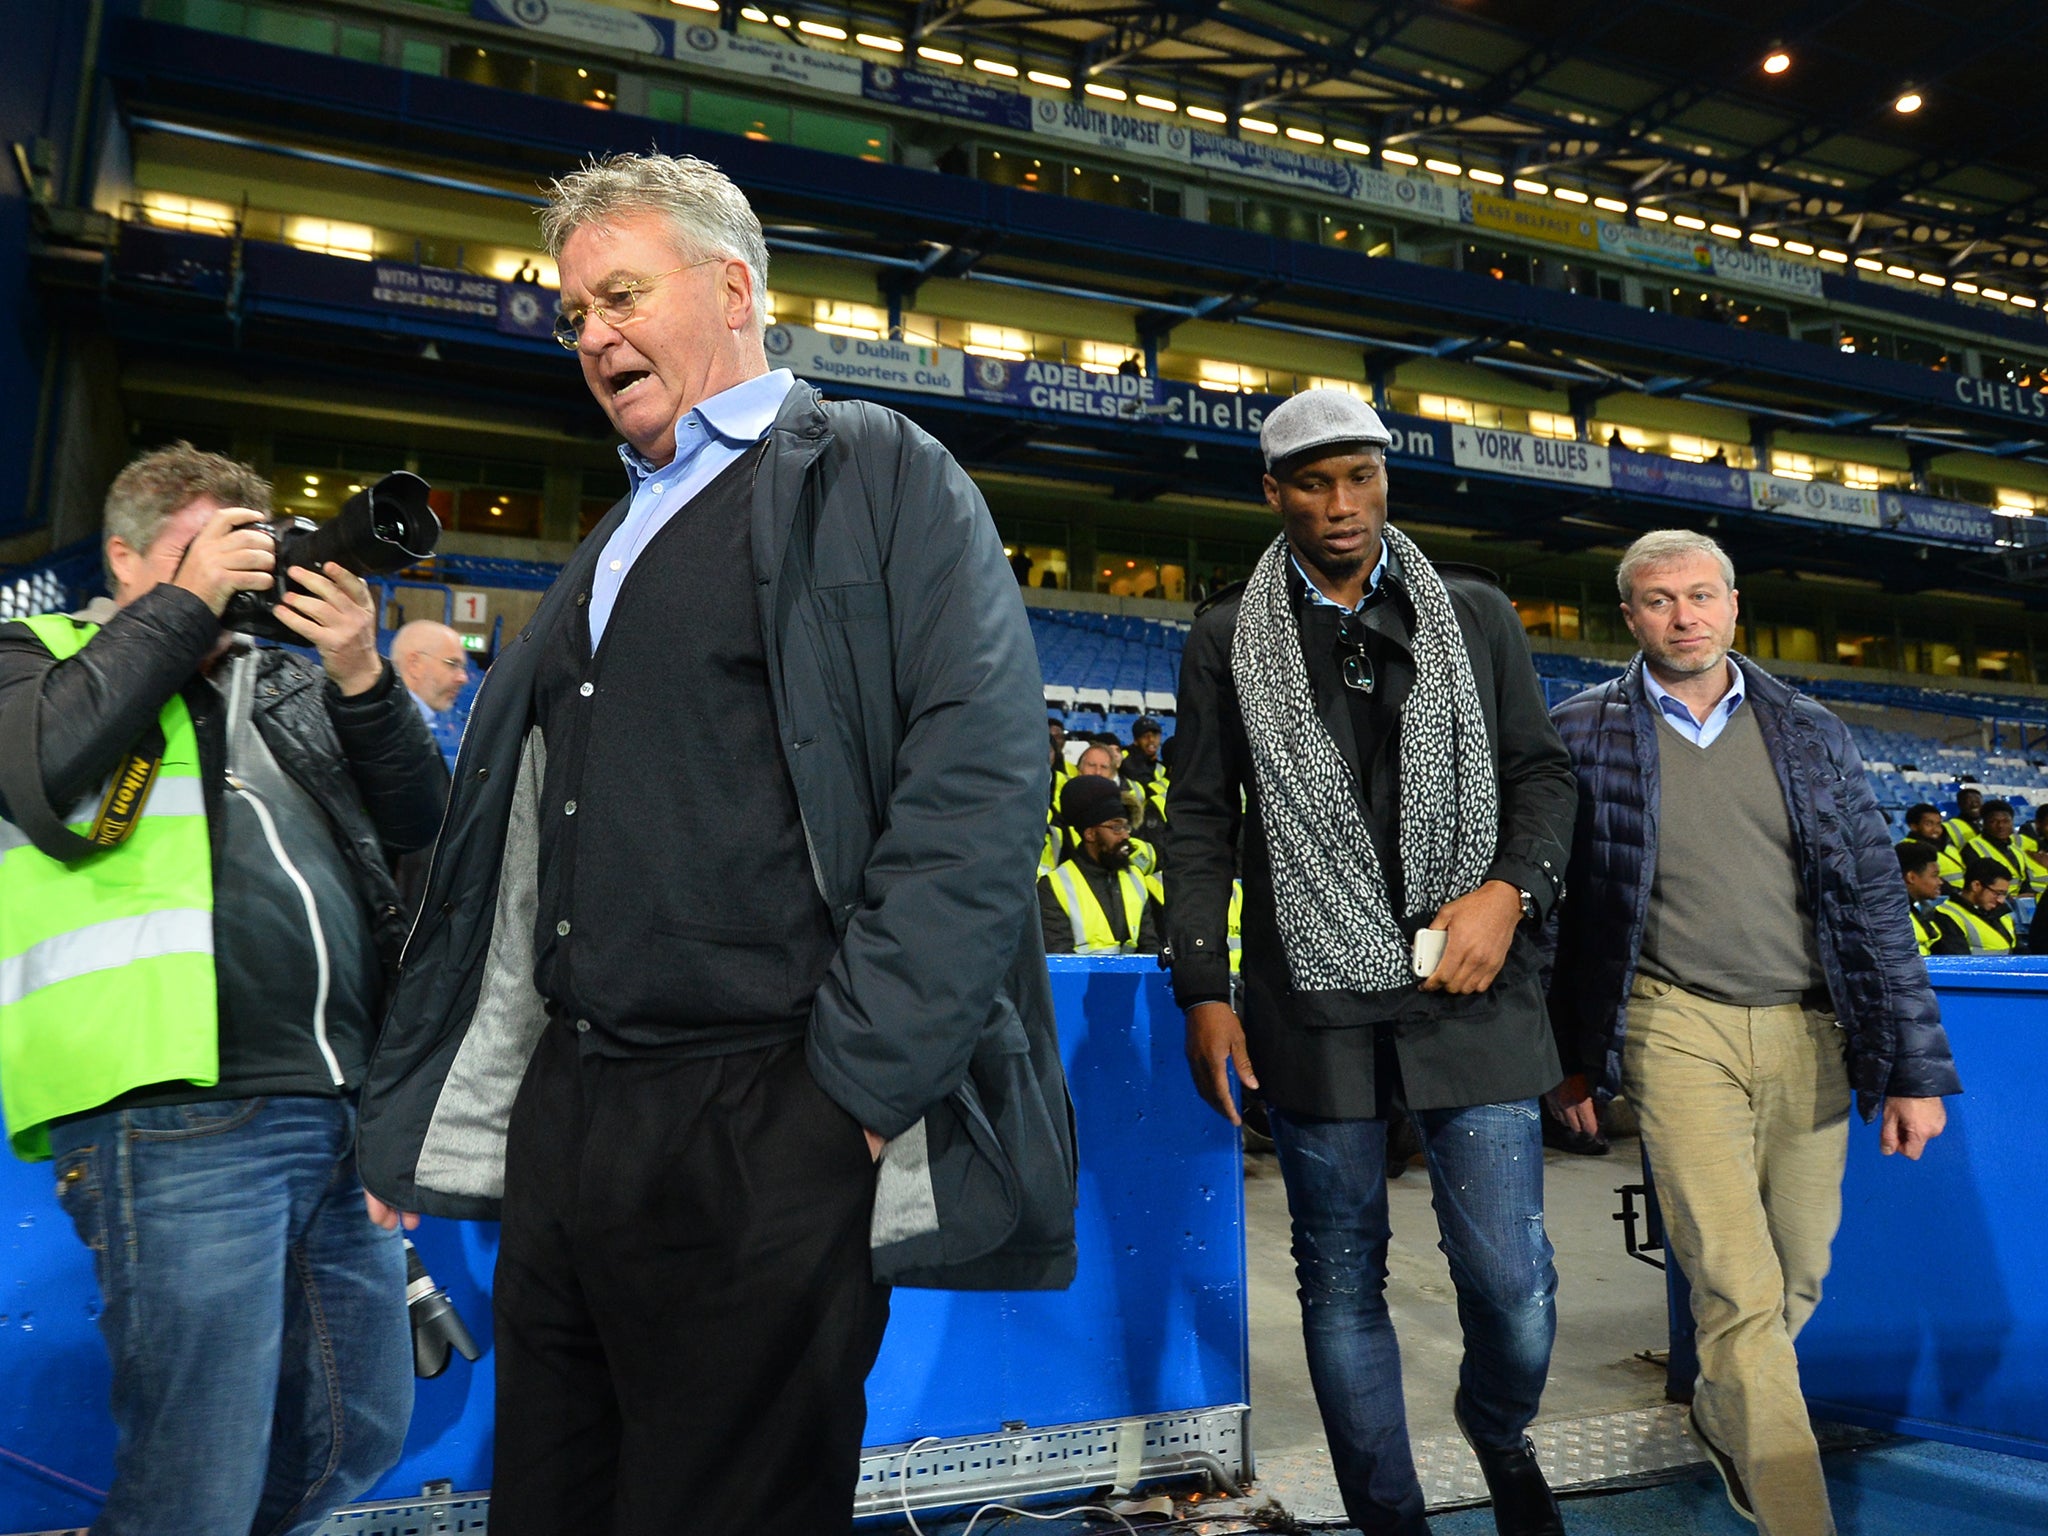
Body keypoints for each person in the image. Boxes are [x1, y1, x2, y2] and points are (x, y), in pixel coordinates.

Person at [354, 151, 1075, 1536]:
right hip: (575, 1121)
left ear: (733, 288)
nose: (593, 336)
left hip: (767, 1114)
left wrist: (852, 1097)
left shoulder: (876, 470)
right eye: (573, 315)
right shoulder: (615, 534)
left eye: (620, 295)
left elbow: (978, 780)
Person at [0, 443, 447, 1536]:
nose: (235, 577)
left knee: (358, 1430)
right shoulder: (35, 653)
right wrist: (183, 610)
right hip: (166, 1111)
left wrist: (358, 671)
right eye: (204, 549)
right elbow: (47, 766)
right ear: (122, 554)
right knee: (196, 1468)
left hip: (337, 1110)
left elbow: (426, 825)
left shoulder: (287, 681)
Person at [1166, 389, 1576, 1536]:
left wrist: (1507, 895)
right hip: (1308, 1000)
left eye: (1358, 478)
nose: (1339, 506)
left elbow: (1542, 779)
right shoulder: (1221, 635)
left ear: (1386, 478)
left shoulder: (1478, 615)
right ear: (1272, 494)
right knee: (1339, 1281)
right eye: (1311, 483)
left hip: (1472, 993)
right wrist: (1203, 987)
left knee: (1513, 1289)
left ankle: (1497, 1432)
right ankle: (1390, 1521)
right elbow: (1198, 818)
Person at [1547, 529, 1958, 1536]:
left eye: (1698, 595)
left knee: (1794, 1273)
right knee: (1733, 1283)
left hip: (1808, 1031)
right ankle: (1795, 1513)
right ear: (1628, 617)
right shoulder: (1575, 732)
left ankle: (1726, 1412)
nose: (1680, 616)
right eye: (1655, 600)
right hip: (1669, 1023)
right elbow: (1557, 917)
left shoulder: (1808, 729)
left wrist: (1911, 1070)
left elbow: (1869, 906)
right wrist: (1562, 1060)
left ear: (1733, 605)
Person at [1039, 773, 1162, 955]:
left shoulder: (1136, 878)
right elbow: (1058, 959)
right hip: (1078, 983)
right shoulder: (1053, 886)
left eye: (1126, 827)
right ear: (1090, 834)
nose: (1125, 835)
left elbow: (1149, 947)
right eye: (1116, 827)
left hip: (1132, 983)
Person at [1928, 857, 2018, 955]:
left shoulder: (2002, 914)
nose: (2001, 900)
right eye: (1997, 893)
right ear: (1976, 886)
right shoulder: (1946, 916)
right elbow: (1957, 962)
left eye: (2004, 894)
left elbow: (2020, 951)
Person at [390, 618, 469, 722]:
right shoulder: (385, 724)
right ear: (414, 665)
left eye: (462, 667)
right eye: (452, 664)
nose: (463, 678)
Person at [1962, 798, 2042, 894]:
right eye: (1994, 822)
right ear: (1984, 824)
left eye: (2006, 821)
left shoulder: (2016, 850)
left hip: (2018, 903)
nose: (2001, 826)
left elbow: (2025, 883)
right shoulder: (1972, 848)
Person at [1899, 800, 1966, 888]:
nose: (1936, 829)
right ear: (1913, 826)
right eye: (1928, 824)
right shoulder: (1907, 849)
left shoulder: (1949, 847)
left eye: (1938, 824)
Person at [1898, 841, 1946, 955]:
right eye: (1934, 875)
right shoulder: (1895, 915)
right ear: (1911, 877)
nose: (1940, 882)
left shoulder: (1919, 910)